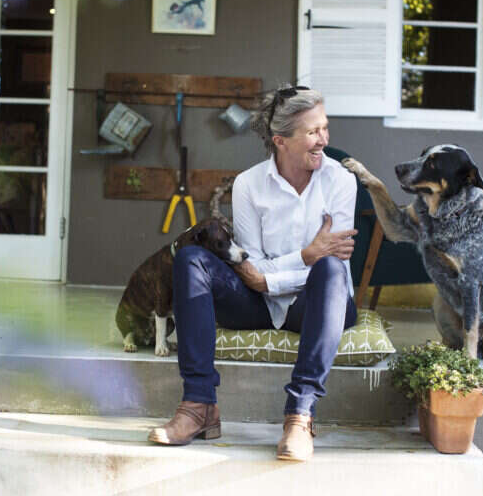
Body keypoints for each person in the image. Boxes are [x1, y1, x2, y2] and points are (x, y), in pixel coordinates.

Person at [148, 85, 359, 461]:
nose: (324, 140)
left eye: (324, 128)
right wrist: (304, 256)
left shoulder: (341, 181)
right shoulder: (248, 184)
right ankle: (199, 406)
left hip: (318, 302)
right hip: (256, 302)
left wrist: (287, 271)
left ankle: (300, 413)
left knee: (329, 267)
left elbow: (332, 262)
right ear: (281, 141)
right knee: (191, 259)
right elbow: (251, 264)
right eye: (313, 132)